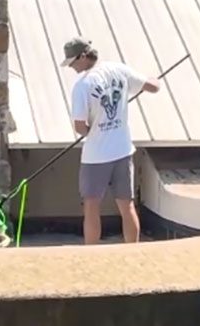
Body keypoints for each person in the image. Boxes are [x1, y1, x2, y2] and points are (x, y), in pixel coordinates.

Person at [61, 36, 159, 244]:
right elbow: (152, 86)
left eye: (73, 63)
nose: (72, 68)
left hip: (96, 155)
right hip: (123, 150)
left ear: (83, 56)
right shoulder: (119, 70)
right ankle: (132, 251)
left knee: (91, 206)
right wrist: (154, 80)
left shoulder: (82, 86)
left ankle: (92, 252)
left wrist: (92, 130)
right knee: (127, 205)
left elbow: (80, 127)